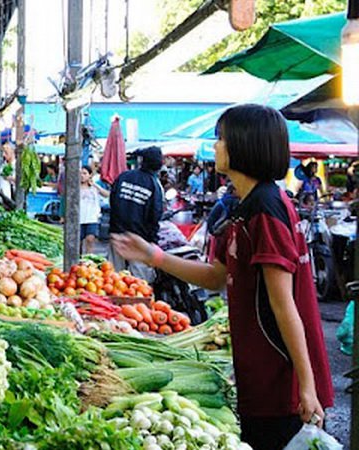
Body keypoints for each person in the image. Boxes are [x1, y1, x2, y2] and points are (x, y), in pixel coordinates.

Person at [112, 104, 333, 449]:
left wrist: (307, 385)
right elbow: (216, 277)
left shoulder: (266, 210)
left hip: (280, 378)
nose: (215, 146)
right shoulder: (241, 207)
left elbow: (283, 303)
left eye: (221, 139)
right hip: (258, 372)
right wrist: (151, 255)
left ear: (245, 145)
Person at [108, 146, 164, 282]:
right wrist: (152, 241)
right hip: (140, 241)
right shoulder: (154, 185)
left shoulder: (124, 176)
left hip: (117, 235)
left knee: (113, 280)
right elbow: (154, 216)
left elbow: (112, 201)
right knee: (140, 283)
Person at [80, 165, 109, 255]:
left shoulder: (94, 188)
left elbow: (106, 194)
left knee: (90, 239)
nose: (82, 175)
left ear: (90, 175)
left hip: (92, 218)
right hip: (78, 218)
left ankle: (88, 259)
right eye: (80, 173)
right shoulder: (75, 188)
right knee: (78, 242)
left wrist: (95, 185)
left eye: (84, 173)